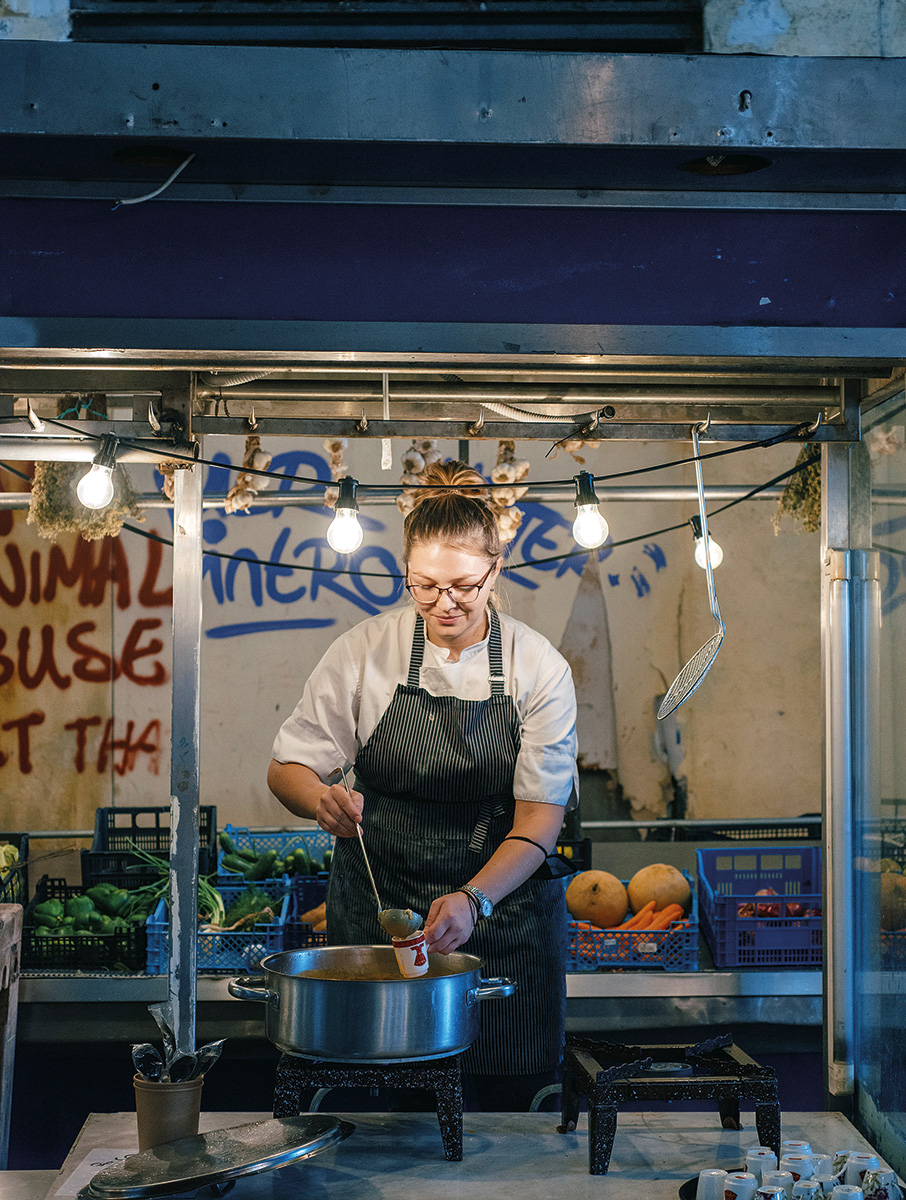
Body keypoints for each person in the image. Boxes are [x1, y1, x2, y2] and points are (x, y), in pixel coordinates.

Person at [267, 461, 578, 1110]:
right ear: (406, 574)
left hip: (501, 914)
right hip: (381, 909)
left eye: (464, 585)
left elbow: (540, 820)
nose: (446, 603)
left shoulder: (536, 666)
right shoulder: (365, 652)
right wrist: (317, 798)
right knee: (377, 1101)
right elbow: (289, 767)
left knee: (504, 1119)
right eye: (425, 586)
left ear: (495, 572)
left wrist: (474, 899)